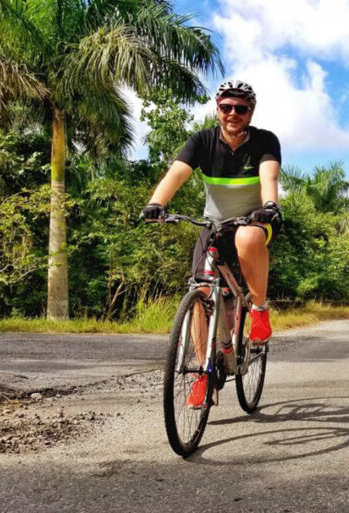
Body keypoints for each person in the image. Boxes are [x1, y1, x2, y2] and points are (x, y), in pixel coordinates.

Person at [141, 80, 281, 407]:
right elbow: (175, 174)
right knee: (201, 293)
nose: (233, 114)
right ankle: (205, 375)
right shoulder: (202, 141)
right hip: (214, 226)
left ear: (251, 112)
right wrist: (155, 203)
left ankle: (259, 311)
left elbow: (268, 178)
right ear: (217, 108)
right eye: (226, 107)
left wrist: (270, 206)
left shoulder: (264, 140)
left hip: (252, 222)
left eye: (241, 109)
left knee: (247, 237)